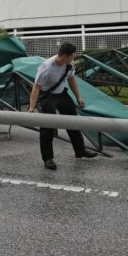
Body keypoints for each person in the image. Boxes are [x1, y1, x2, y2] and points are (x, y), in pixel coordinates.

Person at [27, 42, 97, 170]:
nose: (73, 58)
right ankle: (48, 158)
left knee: (73, 122)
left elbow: (71, 80)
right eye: (72, 56)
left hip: (61, 94)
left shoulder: (69, 65)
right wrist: (31, 107)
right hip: (48, 96)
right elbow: (36, 87)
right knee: (48, 126)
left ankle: (80, 150)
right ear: (65, 55)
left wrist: (78, 97)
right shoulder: (46, 67)